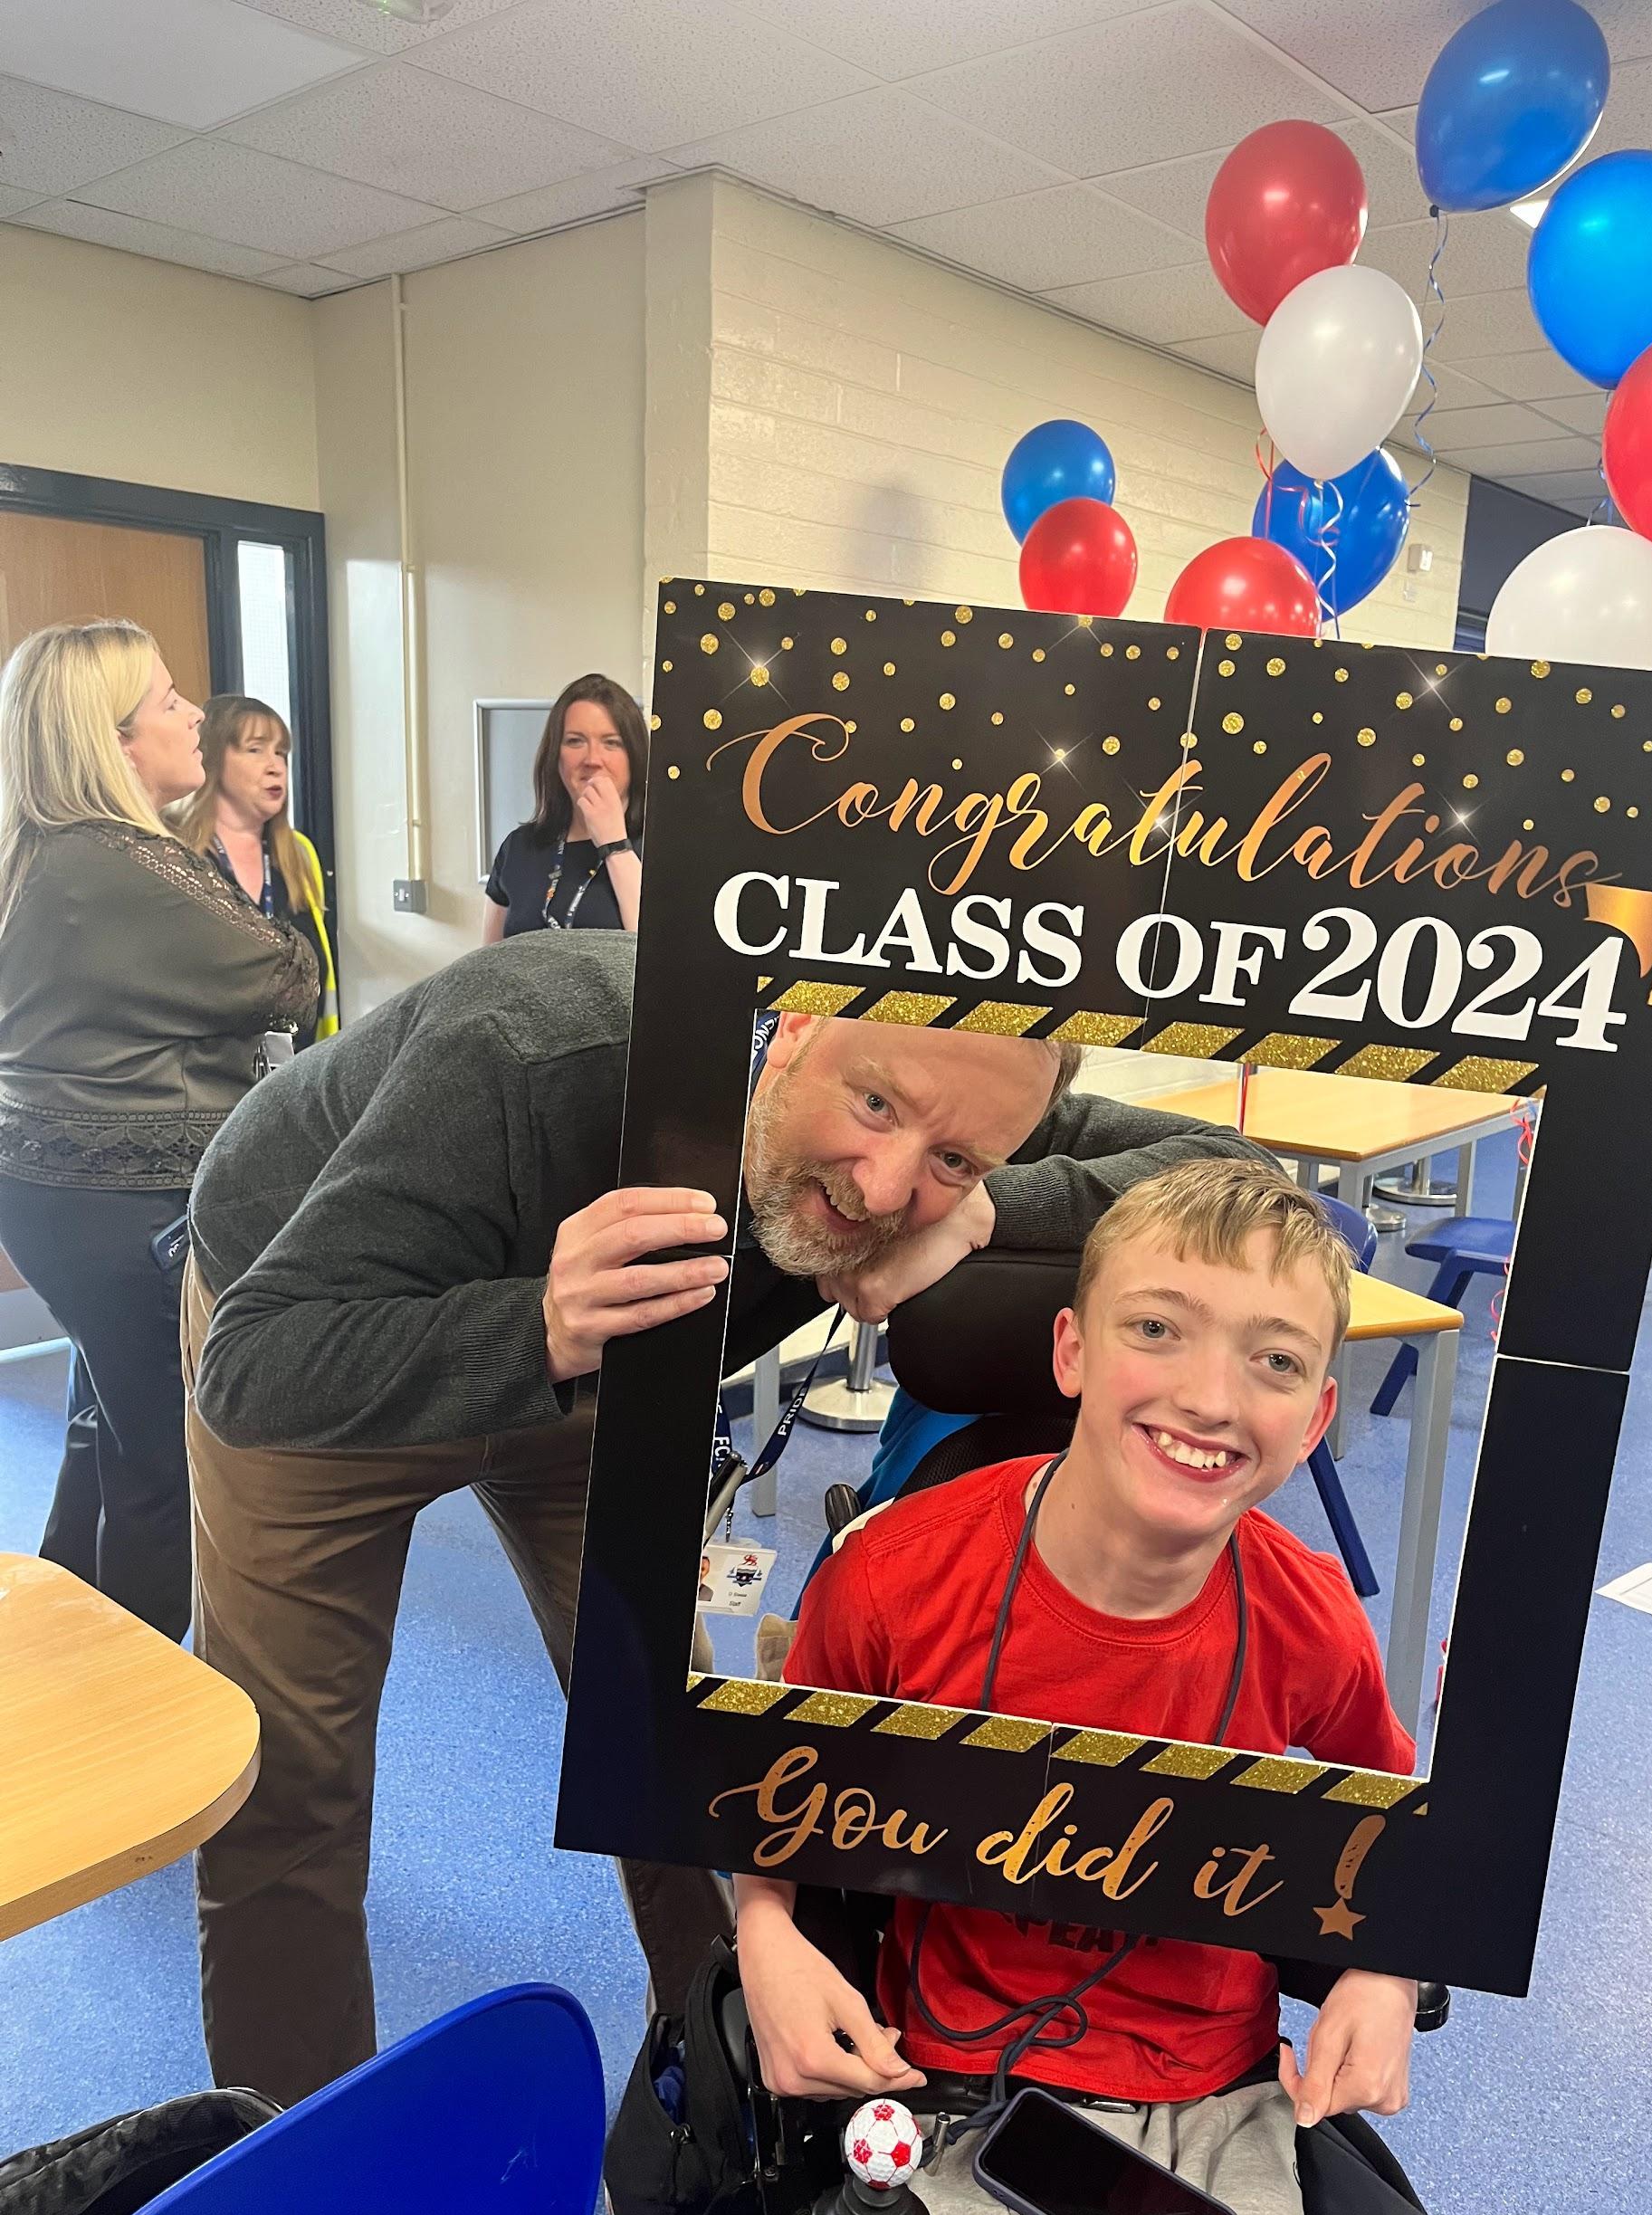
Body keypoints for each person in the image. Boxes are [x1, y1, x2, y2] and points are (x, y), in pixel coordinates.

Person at [181, 929, 1265, 2105]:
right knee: (285, 1789)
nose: (883, 1189)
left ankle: (723, 2077)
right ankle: (289, 2158)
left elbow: (1237, 1171)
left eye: (952, 1156)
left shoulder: (962, 1086)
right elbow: (251, 1370)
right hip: (328, 1340)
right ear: (790, 1027)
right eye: (872, 1104)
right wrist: (537, 1324)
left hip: (608, 1370)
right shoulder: (523, 1049)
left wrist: (987, 1205)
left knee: (663, 1721)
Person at [738, 1159, 1419, 2215]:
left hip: (1217, 2095)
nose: (1211, 1398)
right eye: (1156, 1328)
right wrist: (765, 1931)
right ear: (1072, 1351)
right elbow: (770, 1800)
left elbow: (1397, 1826)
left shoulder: (1312, 1620)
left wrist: (1387, 1972)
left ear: (1316, 1418)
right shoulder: (891, 1579)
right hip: (946, 2078)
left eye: (1276, 1361)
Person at [0, 621, 319, 1639]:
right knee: (166, 1464)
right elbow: (292, 976)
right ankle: (133, 1698)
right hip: (130, 1207)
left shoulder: (41, 849)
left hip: (58, 1202)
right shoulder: (121, 862)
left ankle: (59, 1657)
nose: (195, 717)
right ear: (116, 739)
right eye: (172, 701)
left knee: (103, 1425)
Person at [173, 694, 339, 1045]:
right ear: (212, 758)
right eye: (256, 750)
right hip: (211, 1072)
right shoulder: (177, 855)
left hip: (300, 1066)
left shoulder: (299, 854)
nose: (276, 766)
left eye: (281, 753)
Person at [482, 673, 645, 941]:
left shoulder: (662, 847)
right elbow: (488, 960)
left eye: (611, 743)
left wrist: (615, 844)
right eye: (575, 741)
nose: (593, 759)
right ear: (555, 755)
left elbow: (660, 954)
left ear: (634, 756)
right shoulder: (518, 848)